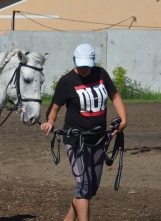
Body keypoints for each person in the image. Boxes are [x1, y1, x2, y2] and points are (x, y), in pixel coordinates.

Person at [41, 43, 127, 221]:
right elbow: (54, 107)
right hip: (75, 140)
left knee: (90, 187)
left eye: (87, 65)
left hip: (98, 139)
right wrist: (50, 122)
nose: (84, 69)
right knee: (84, 184)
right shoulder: (66, 81)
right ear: (75, 61)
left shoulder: (101, 74)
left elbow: (115, 96)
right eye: (81, 65)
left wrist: (123, 120)